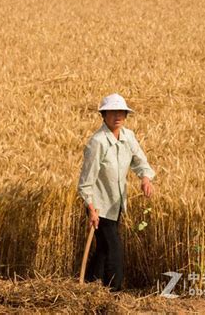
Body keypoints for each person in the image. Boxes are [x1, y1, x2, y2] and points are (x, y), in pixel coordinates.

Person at [77, 93, 156, 291]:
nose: (117, 115)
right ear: (104, 115)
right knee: (114, 250)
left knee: (103, 248)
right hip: (99, 205)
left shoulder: (128, 136)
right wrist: (91, 208)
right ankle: (115, 292)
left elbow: (140, 161)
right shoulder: (98, 142)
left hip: (117, 203)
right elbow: (86, 182)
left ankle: (91, 286)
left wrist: (145, 178)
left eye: (121, 112)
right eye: (112, 112)